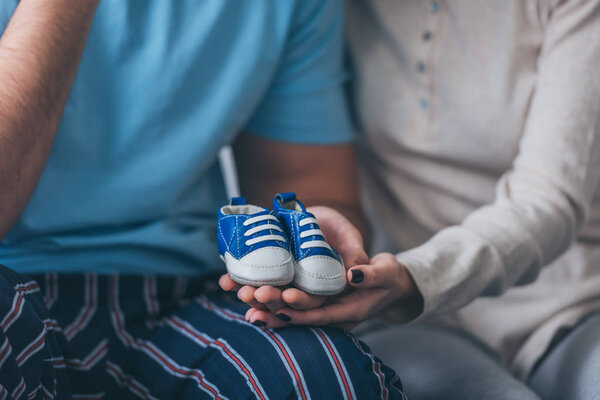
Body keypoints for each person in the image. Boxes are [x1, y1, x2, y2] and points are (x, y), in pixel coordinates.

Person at [0, 0, 406, 398]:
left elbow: (302, 186)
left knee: (320, 378)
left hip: (180, 296)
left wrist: (310, 254)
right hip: (11, 286)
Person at [234, 1, 600, 399]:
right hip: (402, 315)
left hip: (566, 308)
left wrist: (414, 277)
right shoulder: (332, 9)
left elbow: (548, 201)